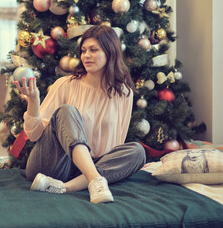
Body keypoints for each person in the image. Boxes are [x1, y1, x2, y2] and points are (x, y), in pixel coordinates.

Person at [13, 25, 146, 204]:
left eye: (93, 50)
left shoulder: (124, 93)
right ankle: (95, 181)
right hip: (53, 165)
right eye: (83, 51)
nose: (86, 56)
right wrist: (33, 102)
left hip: (89, 168)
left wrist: (95, 168)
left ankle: (64, 187)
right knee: (67, 111)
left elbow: (116, 145)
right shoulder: (65, 84)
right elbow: (34, 135)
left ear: (110, 53)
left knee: (138, 152)